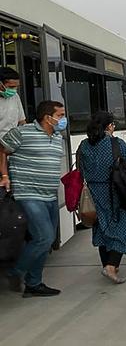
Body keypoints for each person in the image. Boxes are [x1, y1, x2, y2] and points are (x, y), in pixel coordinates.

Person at [1, 101, 65, 297]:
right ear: (48, 117)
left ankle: (34, 283)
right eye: (60, 115)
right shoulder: (22, 132)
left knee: (47, 240)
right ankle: (15, 273)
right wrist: (4, 176)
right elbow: (2, 150)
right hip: (28, 193)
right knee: (44, 237)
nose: (63, 119)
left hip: (50, 195)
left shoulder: (57, 136)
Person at [78, 111, 126, 284]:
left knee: (101, 228)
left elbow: (80, 168)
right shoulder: (115, 143)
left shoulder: (84, 145)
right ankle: (111, 266)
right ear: (109, 126)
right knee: (122, 227)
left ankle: (107, 264)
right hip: (114, 192)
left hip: (93, 192)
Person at [0, 67, 26, 137]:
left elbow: (21, 121)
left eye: (16, 87)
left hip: (13, 141)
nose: (14, 90)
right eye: (11, 87)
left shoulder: (15, 96)